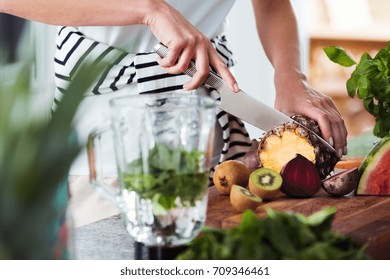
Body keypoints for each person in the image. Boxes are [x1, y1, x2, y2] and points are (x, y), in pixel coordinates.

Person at [1, 0, 348, 175]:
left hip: (204, 133)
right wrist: (149, 9)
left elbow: (271, 4)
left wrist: (290, 76)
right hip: (95, 147)